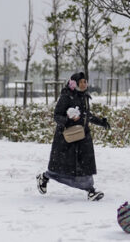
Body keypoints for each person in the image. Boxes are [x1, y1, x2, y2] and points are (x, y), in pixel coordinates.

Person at [37, 72, 111, 201]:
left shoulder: (85, 96)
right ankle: (45, 177)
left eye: (85, 82)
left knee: (85, 164)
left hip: (83, 136)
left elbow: (87, 115)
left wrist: (101, 122)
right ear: (74, 83)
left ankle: (91, 191)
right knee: (63, 167)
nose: (84, 84)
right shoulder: (67, 96)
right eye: (81, 82)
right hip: (67, 138)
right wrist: (69, 119)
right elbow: (57, 115)